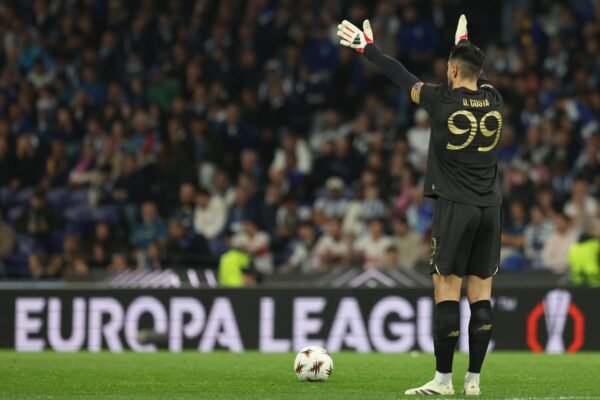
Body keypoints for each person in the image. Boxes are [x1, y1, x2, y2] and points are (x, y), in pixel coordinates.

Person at [338, 15, 502, 395]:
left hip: (456, 207)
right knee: (481, 295)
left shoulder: (439, 99)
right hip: (490, 210)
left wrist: (369, 50)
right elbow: (477, 76)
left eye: (449, 67)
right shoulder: (495, 99)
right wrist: (462, 43)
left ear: (453, 70)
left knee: (447, 289)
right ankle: (474, 381)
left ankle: (443, 380)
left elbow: (400, 76)